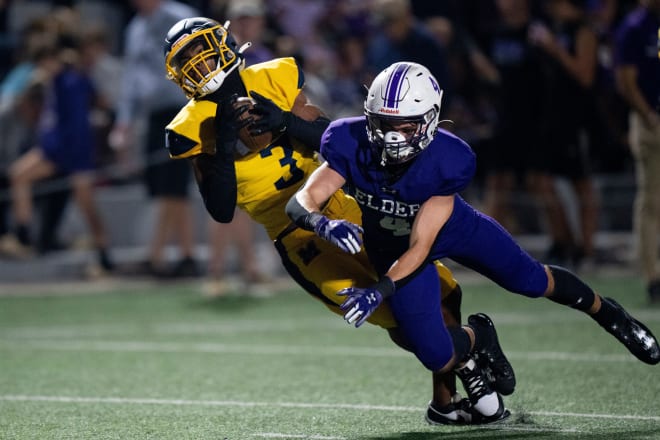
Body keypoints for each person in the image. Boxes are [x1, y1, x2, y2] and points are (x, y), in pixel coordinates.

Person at [162, 17, 513, 424]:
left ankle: (446, 402)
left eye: (200, 50)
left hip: (345, 206)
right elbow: (220, 210)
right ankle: (473, 344)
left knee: (435, 294)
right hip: (300, 238)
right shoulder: (190, 128)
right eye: (185, 59)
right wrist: (223, 144)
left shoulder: (274, 78)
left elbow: (338, 141)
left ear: (222, 43)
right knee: (398, 320)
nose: (197, 64)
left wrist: (284, 122)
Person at [286, 62, 659, 409]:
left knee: (529, 280)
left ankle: (608, 314)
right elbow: (302, 202)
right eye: (384, 124)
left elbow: (421, 247)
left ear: (430, 121)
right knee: (433, 353)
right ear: (370, 118)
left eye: (406, 127)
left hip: (450, 231)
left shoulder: (450, 158)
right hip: (389, 246)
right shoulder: (348, 139)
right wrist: (321, 222)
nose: (393, 138)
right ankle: (478, 336)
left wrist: (379, 291)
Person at [109, 0, 200, 278]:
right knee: (167, 186)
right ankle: (186, 256)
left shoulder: (181, 17)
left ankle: (155, 255)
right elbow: (131, 79)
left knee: (171, 185)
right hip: (154, 115)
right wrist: (123, 121)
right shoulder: (135, 28)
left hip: (183, 109)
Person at [613, 0, 660, 303]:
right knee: (653, 199)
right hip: (651, 121)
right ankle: (653, 276)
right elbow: (625, 82)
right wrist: (649, 117)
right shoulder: (634, 28)